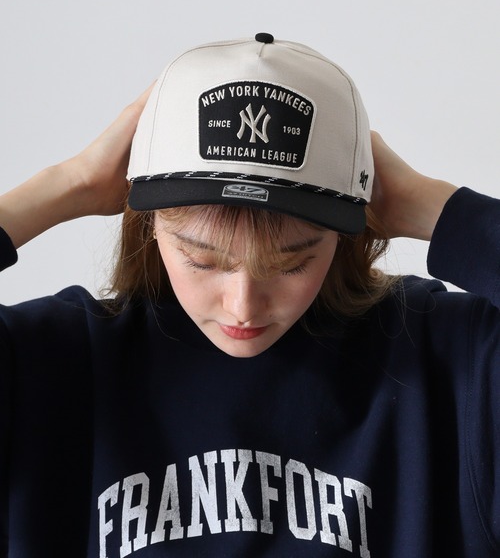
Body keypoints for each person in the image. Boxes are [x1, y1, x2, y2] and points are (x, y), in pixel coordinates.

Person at [0, 33, 498, 558]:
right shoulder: (50, 364)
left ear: (343, 235)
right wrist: (67, 184)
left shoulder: (449, 366)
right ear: (149, 226)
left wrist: (434, 207)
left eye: (291, 263)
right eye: (202, 260)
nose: (243, 305)